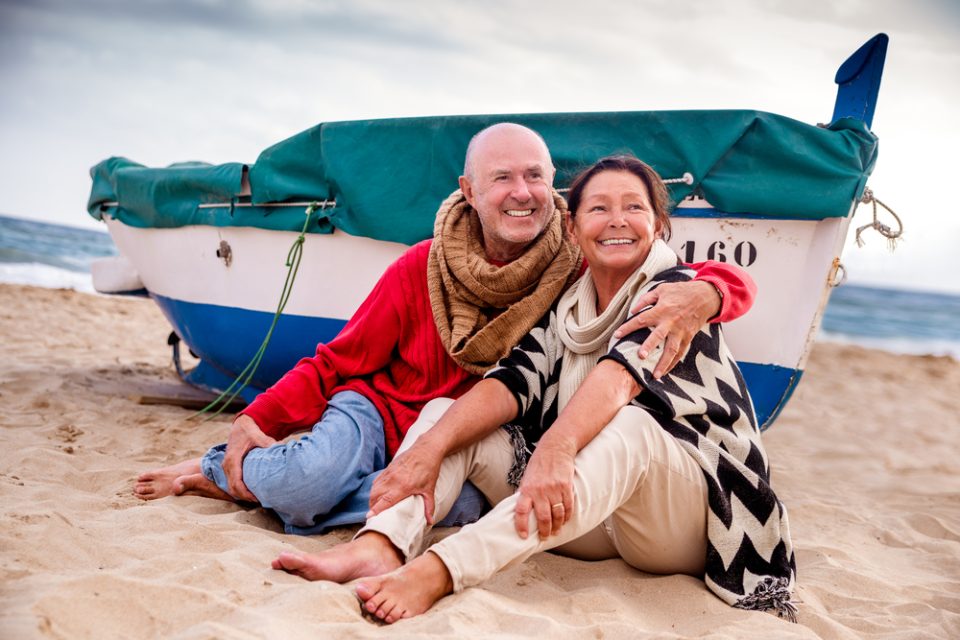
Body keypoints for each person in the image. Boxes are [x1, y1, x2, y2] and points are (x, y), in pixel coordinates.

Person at [134, 125, 756, 538]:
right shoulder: (421, 267)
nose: (521, 193)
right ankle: (225, 471)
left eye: (535, 177)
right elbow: (337, 361)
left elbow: (696, 276)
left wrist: (708, 294)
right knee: (306, 484)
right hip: (378, 413)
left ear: (555, 191)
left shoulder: (575, 269)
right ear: (469, 190)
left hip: (466, 443)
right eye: (502, 178)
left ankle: (293, 488)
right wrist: (259, 419)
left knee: (463, 509)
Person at [272, 155, 795, 623]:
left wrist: (557, 446)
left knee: (632, 426)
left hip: (679, 522)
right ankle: (382, 544)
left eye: (633, 207)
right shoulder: (568, 307)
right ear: (573, 227)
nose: (616, 220)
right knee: (445, 416)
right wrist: (429, 447)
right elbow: (511, 382)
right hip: (589, 516)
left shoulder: (676, 295)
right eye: (598, 208)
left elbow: (620, 377)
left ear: (658, 225)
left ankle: (441, 570)